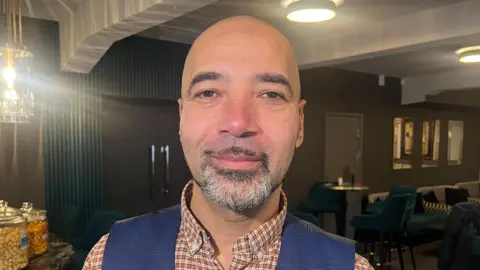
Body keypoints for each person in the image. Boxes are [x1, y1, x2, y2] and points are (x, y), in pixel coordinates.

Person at [82, 16, 373, 270]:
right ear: (181, 119)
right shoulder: (106, 259)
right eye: (208, 93)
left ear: (300, 124)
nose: (238, 123)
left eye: (271, 94)